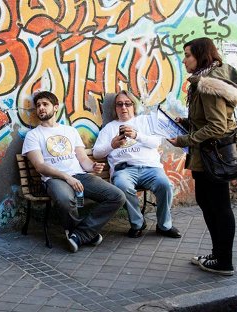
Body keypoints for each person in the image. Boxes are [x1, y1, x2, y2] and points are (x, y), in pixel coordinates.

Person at [167, 37, 237, 276]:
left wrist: (183, 140)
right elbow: (208, 120)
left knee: (219, 207)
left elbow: (218, 126)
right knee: (206, 202)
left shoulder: (208, 85)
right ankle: (217, 254)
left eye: (188, 55)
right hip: (207, 156)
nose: (184, 60)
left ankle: (224, 261)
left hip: (215, 156)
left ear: (201, 56)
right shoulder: (204, 80)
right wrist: (188, 122)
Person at [22, 91, 126, 253]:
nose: (41, 108)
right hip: (54, 179)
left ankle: (80, 234)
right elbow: (40, 166)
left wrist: (93, 167)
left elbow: (83, 159)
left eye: (45, 104)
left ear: (55, 108)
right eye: (38, 106)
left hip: (80, 176)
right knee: (65, 199)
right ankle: (86, 234)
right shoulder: (33, 135)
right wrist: (66, 177)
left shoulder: (70, 131)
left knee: (117, 196)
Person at [93, 91, 181, 239]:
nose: (123, 107)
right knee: (122, 185)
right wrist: (112, 145)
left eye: (128, 103)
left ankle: (164, 225)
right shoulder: (109, 128)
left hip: (150, 168)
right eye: (119, 104)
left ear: (134, 105)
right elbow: (96, 153)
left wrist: (136, 135)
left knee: (165, 185)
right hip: (124, 170)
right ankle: (138, 224)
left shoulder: (145, 121)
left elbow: (156, 142)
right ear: (115, 108)